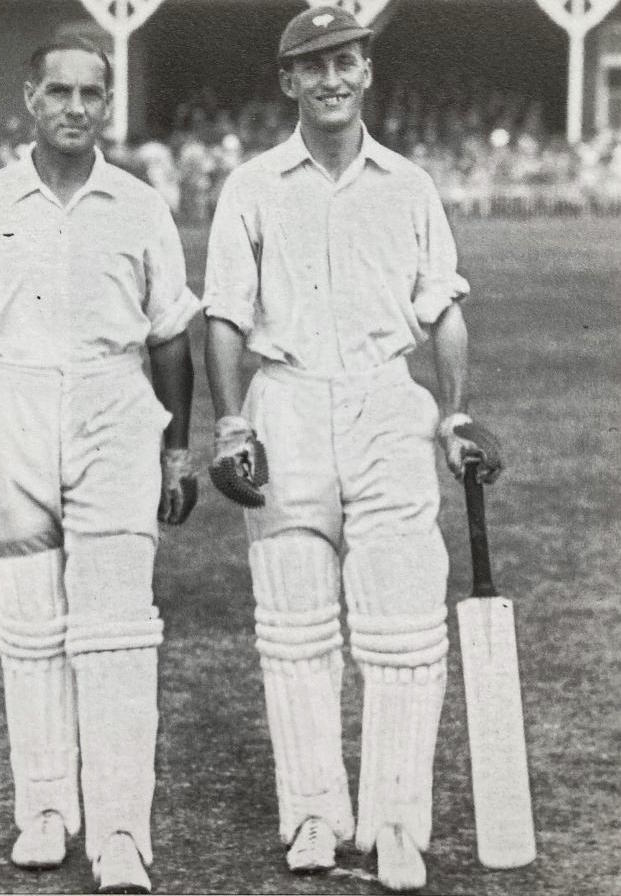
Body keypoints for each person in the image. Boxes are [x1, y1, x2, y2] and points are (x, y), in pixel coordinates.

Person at [0, 37, 199, 894]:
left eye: (88, 94)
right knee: (27, 624)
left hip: (115, 404)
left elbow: (171, 335)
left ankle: (123, 829)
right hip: (10, 406)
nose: (72, 107)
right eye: (56, 91)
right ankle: (45, 810)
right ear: (30, 98)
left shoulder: (139, 205)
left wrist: (177, 449)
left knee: (117, 627)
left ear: (107, 104)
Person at [203, 7, 501, 892]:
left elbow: (439, 307)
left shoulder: (407, 185)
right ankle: (310, 814)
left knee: (405, 625)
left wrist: (451, 417)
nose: (332, 78)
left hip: (384, 400)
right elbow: (223, 314)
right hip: (286, 401)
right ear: (288, 81)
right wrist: (229, 425)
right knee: (293, 628)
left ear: (366, 73)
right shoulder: (252, 187)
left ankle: (396, 821)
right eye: (314, 66)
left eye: (347, 62)